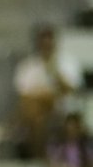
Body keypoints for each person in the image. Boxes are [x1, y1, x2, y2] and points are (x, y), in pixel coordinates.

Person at [13, 25, 82, 158]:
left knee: (36, 111)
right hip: (38, 112)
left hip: (64, 110)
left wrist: (53, 70)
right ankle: (40, 157)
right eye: (43, 44)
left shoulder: (67, 62)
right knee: (36, 116)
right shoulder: (28, 66)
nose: (46, 47)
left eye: (49, 43)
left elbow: (72, 89)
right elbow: (24, 95)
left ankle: (39, 156)